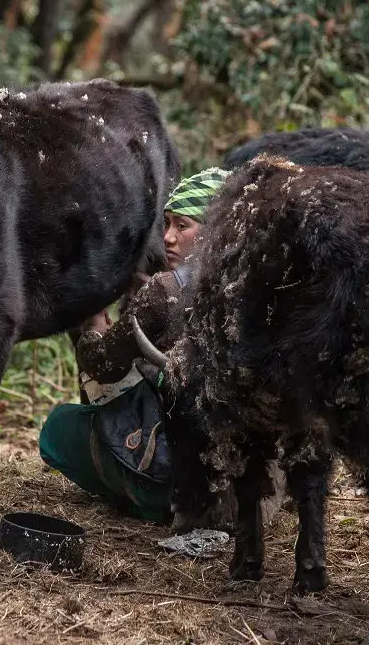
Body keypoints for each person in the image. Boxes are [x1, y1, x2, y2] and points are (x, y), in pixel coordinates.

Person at [37, 168, 231, 523]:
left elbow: (103, 366)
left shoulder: (164, 290)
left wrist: (95, 327)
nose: (168, 237)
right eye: (167, 224)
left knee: (57, 428)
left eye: (183, 225)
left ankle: (146, 501)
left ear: (215, 230)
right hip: (242, 480)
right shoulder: (252, 287)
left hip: (178, 475)